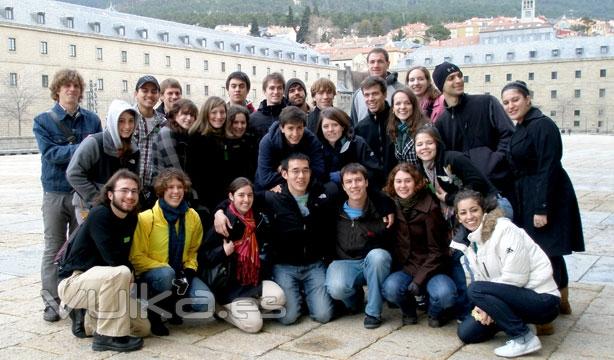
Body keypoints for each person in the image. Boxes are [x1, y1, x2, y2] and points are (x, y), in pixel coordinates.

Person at [215, 153, 336, 325]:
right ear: (285, 174)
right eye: (295, 171)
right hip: (284, 266)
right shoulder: (272, 197)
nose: (301, 176)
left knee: (323, 316)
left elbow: (356, 189)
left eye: (305, 171)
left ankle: (306, 295)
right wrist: (219, 211)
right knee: (288, 318)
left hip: (314, 264)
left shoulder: (322, 193)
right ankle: (297, 296)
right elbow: (239, 197)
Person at [501, 80, 584, 329]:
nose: (511, 105)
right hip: (529, 194)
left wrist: (542, 208)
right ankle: (561, 302)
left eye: (515, 99)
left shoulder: (542, 126)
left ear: (528, 98)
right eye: (506, 102)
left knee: (547, 253)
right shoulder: (523, 126)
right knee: (547, 252)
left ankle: (550, 308)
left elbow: (548, 166)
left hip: (546, 195)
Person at [453, 190, 560, 358]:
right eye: (463, 213)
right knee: (467, 333)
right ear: (458, 218)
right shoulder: (470, 241)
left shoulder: (505, 229)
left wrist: (488, 301)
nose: (469, 216)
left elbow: (516, 278)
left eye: (474, 210)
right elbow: (483, 279)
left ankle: (523, 338)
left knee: (474, 289)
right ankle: (521, 323)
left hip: (542, 299)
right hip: (509, 298)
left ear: (484, 211)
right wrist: (486, 306)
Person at [32, 68, 102, 321]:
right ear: (57, 90)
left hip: (81, 192)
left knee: (79, 247)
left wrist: (75, 151)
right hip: (54, 192)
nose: (71, 90)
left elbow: (97, 154)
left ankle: (76, 300)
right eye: (66, 86)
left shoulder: (92, 120)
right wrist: (83, 148)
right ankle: (51, 302)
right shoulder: (43, 120)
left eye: (76, 86)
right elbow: (50, 154)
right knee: (52, 247)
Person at [58, 169, 149, 352]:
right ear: (110, 194)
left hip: (106, 284)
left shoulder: (131, 218)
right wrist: (130, 271)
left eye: (134, 191)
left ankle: (87, 321)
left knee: (142, 328)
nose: (130, 196)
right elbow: (113, 259)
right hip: (75, 282)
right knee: (121, 271)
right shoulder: (100, 214)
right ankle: (107, 337)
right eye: (124, 190)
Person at [130, 168, 214, 336]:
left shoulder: (193, 217)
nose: (175, 191)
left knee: (206, 302)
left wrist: (188, 271)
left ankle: (172, 304)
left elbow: (193, 251)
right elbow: (136, 256)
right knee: (166, 274)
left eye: (179, 187)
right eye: (170, 187)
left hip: (180, 273)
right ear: (162, 190)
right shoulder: (146, 218)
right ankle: (154, 312)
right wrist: (170, 271)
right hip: (153, 275)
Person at [200, 177, 285, 333]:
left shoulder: (258, 217)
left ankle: (249, 308)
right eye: (241, 195)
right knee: (254, 326)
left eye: (249, 195)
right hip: (230, 287)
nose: (246, 200)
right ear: (231, 197)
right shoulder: (223, 222)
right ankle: (221, 309)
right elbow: (203, 257)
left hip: (254, 281)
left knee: (278, 298)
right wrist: (223, 252)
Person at [381, 164, 458, 327]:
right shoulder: (391, 204)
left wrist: (418, 281)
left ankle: (435, 313)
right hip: (407, 267)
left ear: (416, 182)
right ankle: (409, 312)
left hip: (433, 267)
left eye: (407, 181)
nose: (402, 186)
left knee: (445, 295)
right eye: (398, 181)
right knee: (390, 288)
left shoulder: (430, 208)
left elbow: (437, 251)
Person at [432, 62, 515, 203]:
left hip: (500, 185)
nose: (458, 80)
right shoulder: (441, 123)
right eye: (451, 78)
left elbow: (509, 134)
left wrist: (495, 160)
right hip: (469, 193)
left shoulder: (487, 102)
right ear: (441, 86)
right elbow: (445, 160)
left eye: (459, 76)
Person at [325, 163, 394, 329]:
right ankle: (354, 298)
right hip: (345, 261)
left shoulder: (381, 208)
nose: (354, 185)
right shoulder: (334, 208)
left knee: (379, 256)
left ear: (366, 183)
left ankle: (373, 312)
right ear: (343, 186)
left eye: (358, 180)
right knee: (336, 288)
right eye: (349, 182)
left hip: (372, 261)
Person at [67, 99, 139, 223]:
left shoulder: (133, 148)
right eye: (121, 121)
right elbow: (73, 173)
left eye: (131, 121)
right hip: (90, 206)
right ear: (112, 121)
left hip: (119, 208)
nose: (127, 126)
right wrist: (99, 199)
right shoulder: (94, 143)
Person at [254, 106, 325, 192]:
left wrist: (284, 170)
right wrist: (301, 172)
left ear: (304, 127)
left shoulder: (311, 140)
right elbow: (265, 179)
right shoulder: (267, 142)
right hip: (272, 189)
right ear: (282, 128)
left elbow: (319, 171)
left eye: (299, 128)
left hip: (302, 186)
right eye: (290, 128)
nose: (295, 134)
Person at [316, 107, 382, 188]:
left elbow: (373, 171)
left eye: (335, 125)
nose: (330, 129)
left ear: (343, 127)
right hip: (330, 193)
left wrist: (345, 175)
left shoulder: (357, 143)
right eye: (326, 126)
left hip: (356, 189)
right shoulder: (317, 146)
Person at [186, 96, 229, 213]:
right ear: (206, 114)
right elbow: (193, 172)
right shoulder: (196, 137)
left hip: (224, 198)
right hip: (205, 200)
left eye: (222, 112)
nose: (219, 116)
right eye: (214, 112)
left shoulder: (225, 136)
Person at [133, 75, 167, 209]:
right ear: (136, 93)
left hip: (153, 191)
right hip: (129, 189)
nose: (149, 95)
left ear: (159, 95)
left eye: (154, 91)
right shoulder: (126, 118)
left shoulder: (163, 122)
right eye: (145, 90)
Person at [354, 76, 398, 178]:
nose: (370, 99)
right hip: (373, 186)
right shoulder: (360, 128)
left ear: (385, 94)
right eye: (367, 95)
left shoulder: (398, 120)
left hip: (398, 183)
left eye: (375, 94)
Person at [350, 48, 404, 125]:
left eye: (380, 61)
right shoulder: (358, 95)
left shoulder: (401, 91)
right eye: (372, 62)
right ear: (367, 64)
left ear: (388, 64)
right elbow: (354, 125)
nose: (376, 65)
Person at [153, 99, 198, 176]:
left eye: (192, 115)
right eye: (185, 114)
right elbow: (174, 167)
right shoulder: (167, 132)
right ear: (175, 114)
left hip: (178, 183)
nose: (189, 118)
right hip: (165, 184)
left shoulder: (186, 134)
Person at [386, 89, 429, 167]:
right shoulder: (395, 129)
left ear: (413, 106)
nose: (402, 107)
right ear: (393, 108)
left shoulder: (425, 128)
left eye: (407, 103)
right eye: (398, 104)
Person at [223, 105, 259, 181]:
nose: (240, 126)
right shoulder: (221, 143)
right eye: (235, 122)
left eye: (243, 123)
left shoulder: (251, 142)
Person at [249, 72, 287, 140]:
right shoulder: (253, 119)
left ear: (283, 91)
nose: (276, 92)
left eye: (279, 88)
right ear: (264, 91)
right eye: (272, 88)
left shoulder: (290, 116)